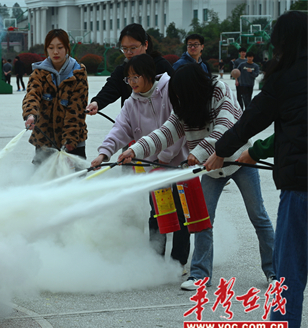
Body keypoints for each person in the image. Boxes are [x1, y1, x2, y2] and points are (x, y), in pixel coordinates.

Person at [118, 63, 276, 292]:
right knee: (202, 221)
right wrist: (135, 150)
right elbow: (165, 132)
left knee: (258, 216)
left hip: (239, 160)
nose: (178, 98)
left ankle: (274, 272)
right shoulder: (183, 105)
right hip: (210, 169)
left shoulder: (220, 90)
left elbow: (225, 127)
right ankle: (200, 275)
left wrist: (198, 153)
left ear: (193, 87)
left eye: (181, 93)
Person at [204, 11, 307, 328]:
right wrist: (255, 152)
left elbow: (250, 122)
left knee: (288, 274)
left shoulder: (284, 76)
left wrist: (220, 152)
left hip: (301, 190)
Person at [90, 54, 190, 271]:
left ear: (148, 75)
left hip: (177, 166)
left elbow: (178, 129)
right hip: (153, 167)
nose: (132, 82)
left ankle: (178, 262)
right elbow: (119, 130)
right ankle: (155, 260)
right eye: (129, 78)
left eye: (136, 77)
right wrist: (104, 154)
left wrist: (164, 158)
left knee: (181, 213)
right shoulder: (130, 103)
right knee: (158, 213)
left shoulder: (170, 91)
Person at [22, 29, 88, 164]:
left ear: (67, 48)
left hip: (73, 139)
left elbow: (76, 109)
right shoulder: (39, 73)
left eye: (60, 47)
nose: (55, 52)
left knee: (76, 180)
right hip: (44, 138)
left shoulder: (78, 73)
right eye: (51, 48)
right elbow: (32, 95)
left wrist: (70, 140)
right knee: (43, 179)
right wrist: (30, 115)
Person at [86, 23, 174, 114]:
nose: (128, 52)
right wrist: (97, 103)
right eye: (124, 48)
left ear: (145, 44)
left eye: (133, 48)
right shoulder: (122, 70)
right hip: (134, 122)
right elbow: (111, 88)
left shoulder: (161, 66)